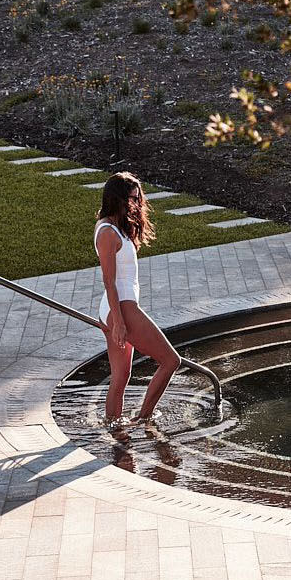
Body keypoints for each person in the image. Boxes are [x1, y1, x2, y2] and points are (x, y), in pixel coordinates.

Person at [95, 172, 180, 425]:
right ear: (116, 198)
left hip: (118, 307)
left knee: (121, 376)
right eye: (131, 199)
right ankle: (143, 420)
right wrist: (119, 322)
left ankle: (113, 429)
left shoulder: (116, 227)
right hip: (120, 307)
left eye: (137, 198)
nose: (135, 203)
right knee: (170, 361)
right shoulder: (108, 232)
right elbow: (109, 281)